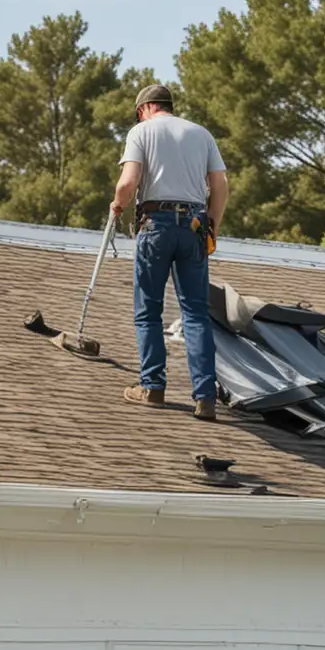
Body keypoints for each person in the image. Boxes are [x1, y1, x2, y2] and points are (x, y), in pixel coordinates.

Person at [110, 84, 229, 421]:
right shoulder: (200, 133)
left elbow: (128, 182)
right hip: (194, 225)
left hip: (156, 225)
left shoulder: (142, 131)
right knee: (195, 313)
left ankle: (153, 388)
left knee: (148, 310)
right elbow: (220, 186)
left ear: (145, 108)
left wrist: (118, 204)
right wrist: (212, 226)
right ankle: (205, 398)